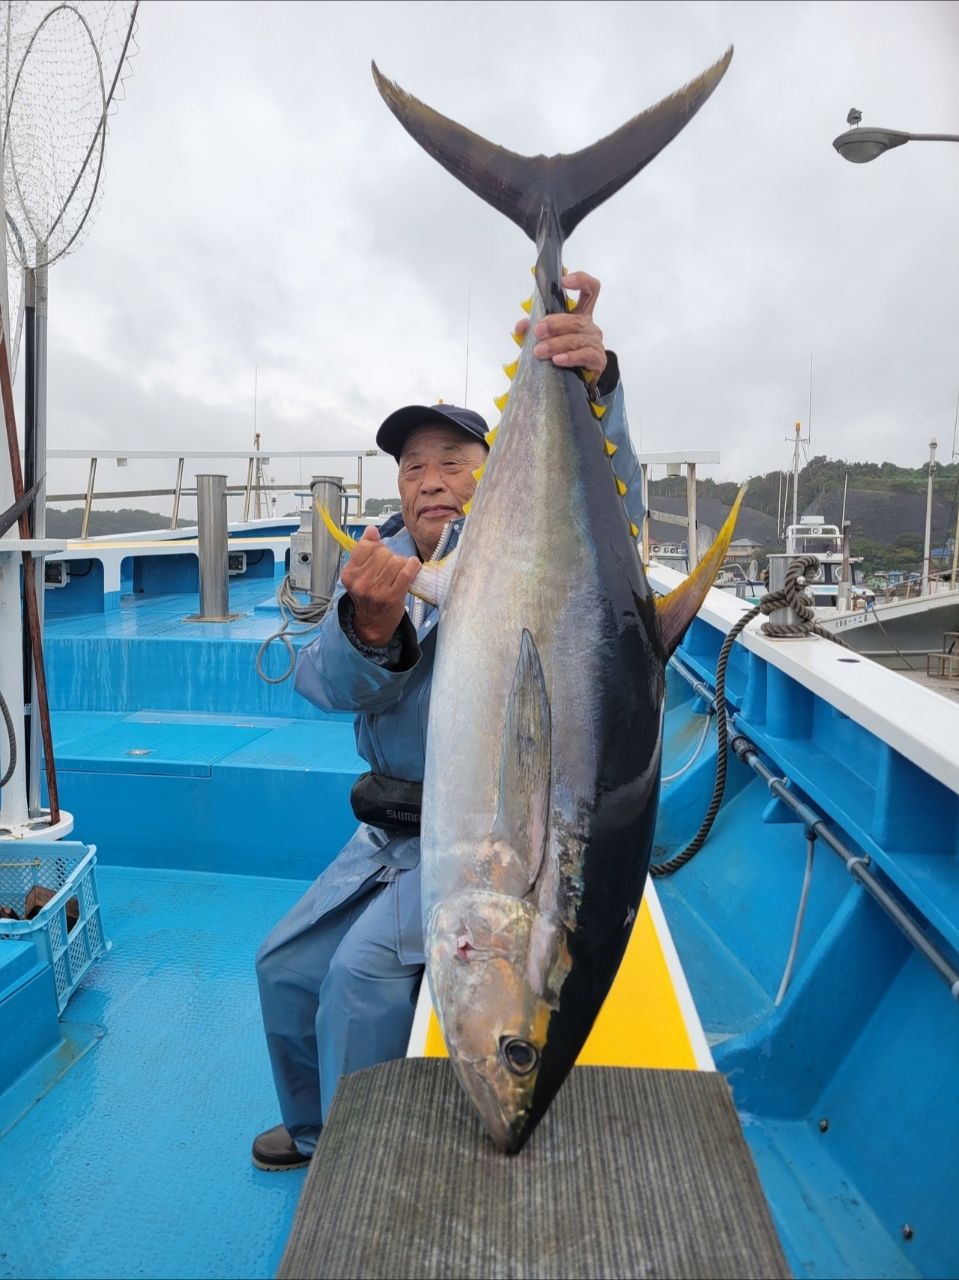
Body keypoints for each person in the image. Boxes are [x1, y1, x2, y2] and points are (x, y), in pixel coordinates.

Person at [253, 272, 645, 1171]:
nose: (431, 482)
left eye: (455, 463)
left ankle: (357, 1172)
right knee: (283, 967)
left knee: (355, 980)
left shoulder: (524, 559)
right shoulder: (377, 565)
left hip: (472, 838)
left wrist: (599, 389)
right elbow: (319, 684)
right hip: (388, 835)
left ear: (492, 471)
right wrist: (370, 626)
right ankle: (319, 1134)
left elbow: (608, 521)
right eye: (413, 466)